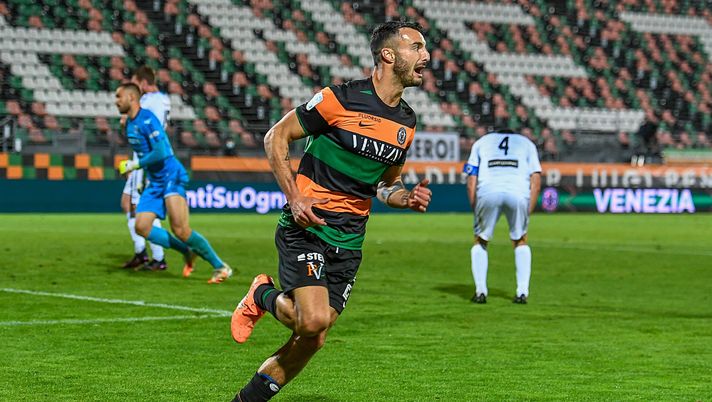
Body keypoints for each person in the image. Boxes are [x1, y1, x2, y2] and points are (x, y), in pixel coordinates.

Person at [228, 21, 432, 401]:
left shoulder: (406, 122)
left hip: (350, 239)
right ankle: (262, 296)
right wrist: (293, 195)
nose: (426, 56)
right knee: (315, 319)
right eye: (416, 47)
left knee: (313, 338)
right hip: (308, 226)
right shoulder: (340, 99)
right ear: (388, 55)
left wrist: (406, 198)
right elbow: (277, 137)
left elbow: (386, 183)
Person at [115, 83, 233, 284]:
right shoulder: (129, 124)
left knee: (181, 230)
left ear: (132, 98)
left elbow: (162, 152)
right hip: (154, 181)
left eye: (119, 97)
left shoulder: (147, 119)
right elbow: (145, 153)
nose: (116, 101)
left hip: (171, 175)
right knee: (141, 226)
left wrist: (135, 165)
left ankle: (221, 266)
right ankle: (186, 251)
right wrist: (141, 177)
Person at [464, 128, 541, 304]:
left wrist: (475, 207)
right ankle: (522, 292)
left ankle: (481, 291)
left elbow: (471, 179)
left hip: (488, 190)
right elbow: (536, 182)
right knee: (520, 240)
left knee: (480, 240)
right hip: (518, 192)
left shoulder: (481, 142)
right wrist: (528, 210)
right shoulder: (527, 144)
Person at [121, 66, 171, 271]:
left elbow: (149, 130)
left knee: (141, 208)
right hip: (144, 159)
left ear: (142, 83)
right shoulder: (163, 99)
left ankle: (157, 257)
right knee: (128, 203)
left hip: (146, 161)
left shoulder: (150, 102)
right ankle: (142, 252)